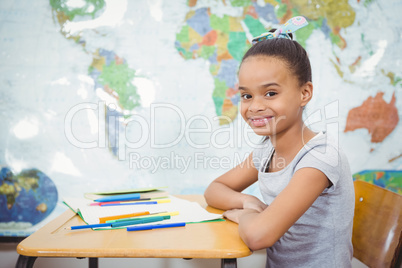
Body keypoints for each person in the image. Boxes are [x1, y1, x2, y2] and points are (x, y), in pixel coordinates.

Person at [204, 16, 355, 267]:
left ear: (304, 93)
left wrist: (246, 216)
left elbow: (257, 235)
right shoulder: (267, 151)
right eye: (246, 95)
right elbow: (214, 189)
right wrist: (248, 201)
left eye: (271, 93)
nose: (255, 106)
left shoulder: (319, 157)